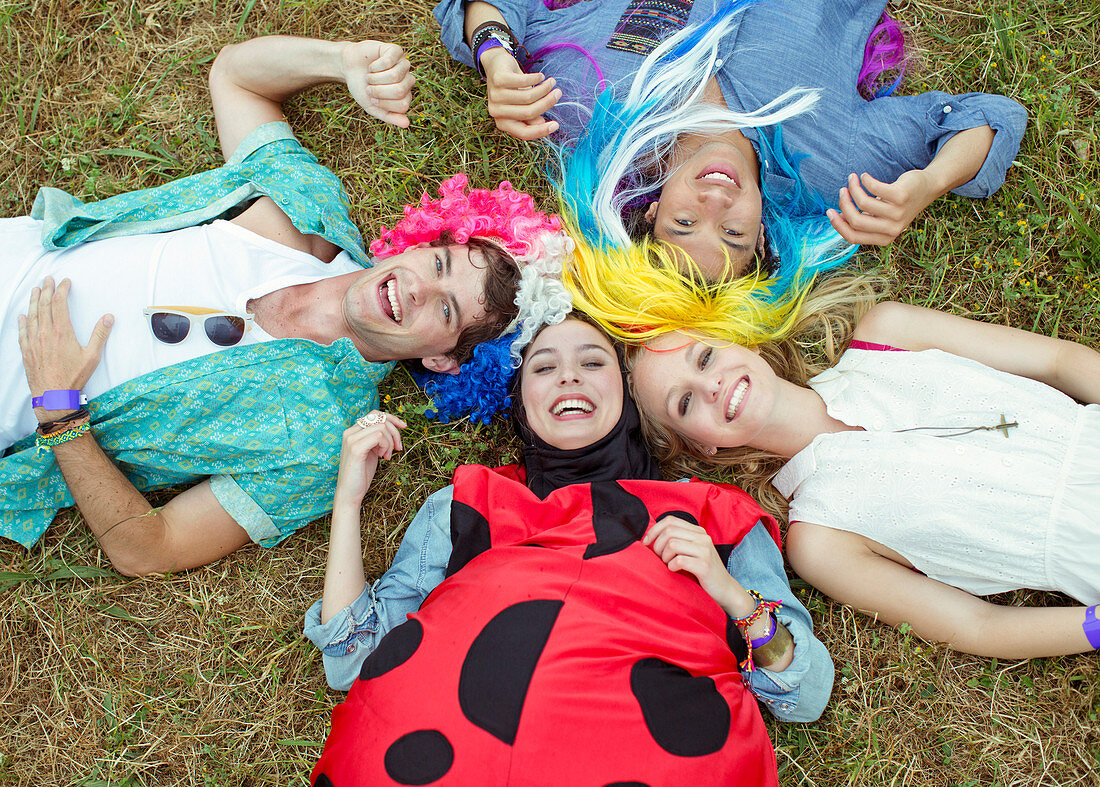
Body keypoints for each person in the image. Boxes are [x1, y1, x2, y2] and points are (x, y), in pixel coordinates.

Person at [2, 35, 562, 576]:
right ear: (421, 243)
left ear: (444, 360)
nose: (420, 290)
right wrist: (343, 63)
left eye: (447, 312)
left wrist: (59, 411)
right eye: (439, 265)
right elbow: (237, 78)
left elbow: (150, 548)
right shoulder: (303, 217)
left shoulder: (317, 443)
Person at [304, 316, 833, 785]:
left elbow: (805, 696)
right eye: (543, 367)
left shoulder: (717, 516)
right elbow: (353, 662)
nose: (568, 376)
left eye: (593, 361)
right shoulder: (467, 504)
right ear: (519, 400)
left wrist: (733, 596)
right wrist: (348, 502)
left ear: (628, 395)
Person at [625, 284, 1100, 660]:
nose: (711, 385)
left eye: (705, 356)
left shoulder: (890, 333)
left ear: (731, 339)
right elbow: (979, 626)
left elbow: (1061, 361)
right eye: (684, 403)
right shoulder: (821, 539)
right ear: (702, 447)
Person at [437, 0, 1027, 279]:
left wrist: (494, 54)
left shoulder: (583, 101)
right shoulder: (834, 165)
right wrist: (928, 183)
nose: (714, 204)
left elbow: (482, 8)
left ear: (650, 212)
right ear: (765, 231)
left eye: (685, 224)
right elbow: (989, 117)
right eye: (736, 233)